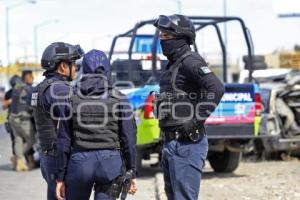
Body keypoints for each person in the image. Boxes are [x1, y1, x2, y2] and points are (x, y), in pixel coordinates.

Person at [153, 15, 225, 200]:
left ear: (181, 37)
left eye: (166, 36)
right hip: (171, 143)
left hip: (187, 144)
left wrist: (196, 121)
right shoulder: (172, 65)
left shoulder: (190, 61)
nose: (162, 39)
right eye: (161, 35)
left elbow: (216, 88)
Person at [55, 49, 137, 200]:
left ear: (83, 69)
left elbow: (63, 141)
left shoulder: (71, 98)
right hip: (110, 164)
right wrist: (132, 171)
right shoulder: (119, 98)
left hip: (80, 164)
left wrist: (60, 177)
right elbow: (129, 139)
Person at [31, 42, 84, 200]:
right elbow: (74, 121)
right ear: (62, 66)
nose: (76, 68)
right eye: (73, 64)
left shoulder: (41, 87)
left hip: (49, 155)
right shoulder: (60, 89)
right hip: (59, 157)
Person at [8, 70, 35, 171]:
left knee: (18, 139)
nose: (33, 79)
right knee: (31, 140)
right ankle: (18, 158)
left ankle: (18, 160)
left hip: (12, 118)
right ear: (27, 77)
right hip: (22, 119)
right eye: (31, 77)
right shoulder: (28, 89)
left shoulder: (16, 88)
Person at [3, 75, 22, 169]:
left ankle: (26, 160)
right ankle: (16, 160)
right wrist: (12, 100)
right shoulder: (9, 93)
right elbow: (4, 106)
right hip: (12, 119)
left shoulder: (23, 91)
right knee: (14, 140)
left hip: (23, 119)